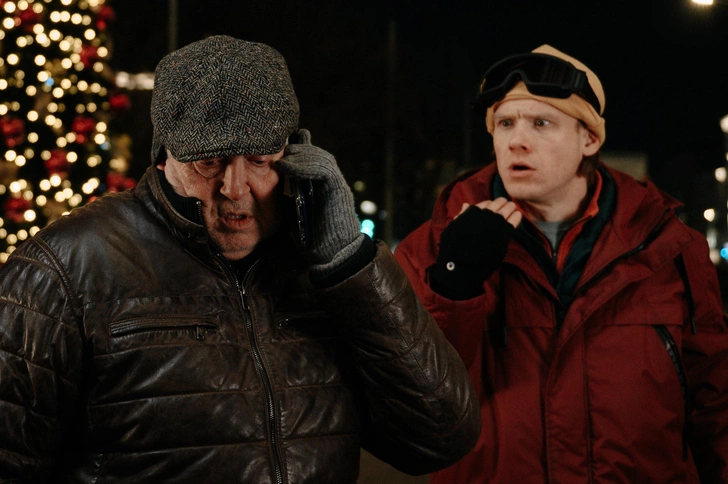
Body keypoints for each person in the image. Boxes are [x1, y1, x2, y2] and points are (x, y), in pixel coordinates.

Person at [0, 35, 481, 483]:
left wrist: (349, 265)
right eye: (209, 161)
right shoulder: (64, 268)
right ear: (163, 156)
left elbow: (439, 439)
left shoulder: (320, 273)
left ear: (296, 154)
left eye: (260, 160)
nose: (235, 189)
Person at [395, 44, 728, 483]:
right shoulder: (431, 247)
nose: (516, 140)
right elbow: (408, 407)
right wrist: (452, 286)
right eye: (505, 123)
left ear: (589, 139)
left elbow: (716, 407)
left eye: (542, 123)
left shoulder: (670, 249)